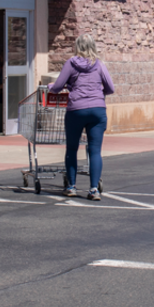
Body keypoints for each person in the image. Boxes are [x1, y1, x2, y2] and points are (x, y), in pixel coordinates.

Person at [49, 34, 115, 199]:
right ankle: (94, 190)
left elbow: (57, 87)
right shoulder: (99, 64)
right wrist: (98, 94)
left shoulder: (71, 63)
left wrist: (52, 86)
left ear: (77, 47)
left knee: (72, 148)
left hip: (76, 110)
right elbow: (110, 88)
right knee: (94, 151)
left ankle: (71, 186)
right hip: (97, 111)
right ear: (93, 47)